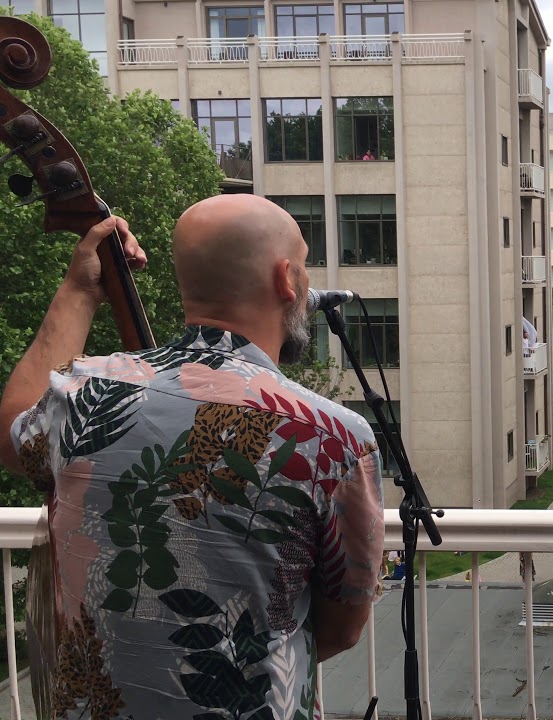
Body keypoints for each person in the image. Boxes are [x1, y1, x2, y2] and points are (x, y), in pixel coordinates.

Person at [0, 195, 385, 718]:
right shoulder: (334, 435)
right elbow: (341, 628)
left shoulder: (84, 393)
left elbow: (12, 435)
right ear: (286, 279)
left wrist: (79, 290)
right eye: (305, 264)